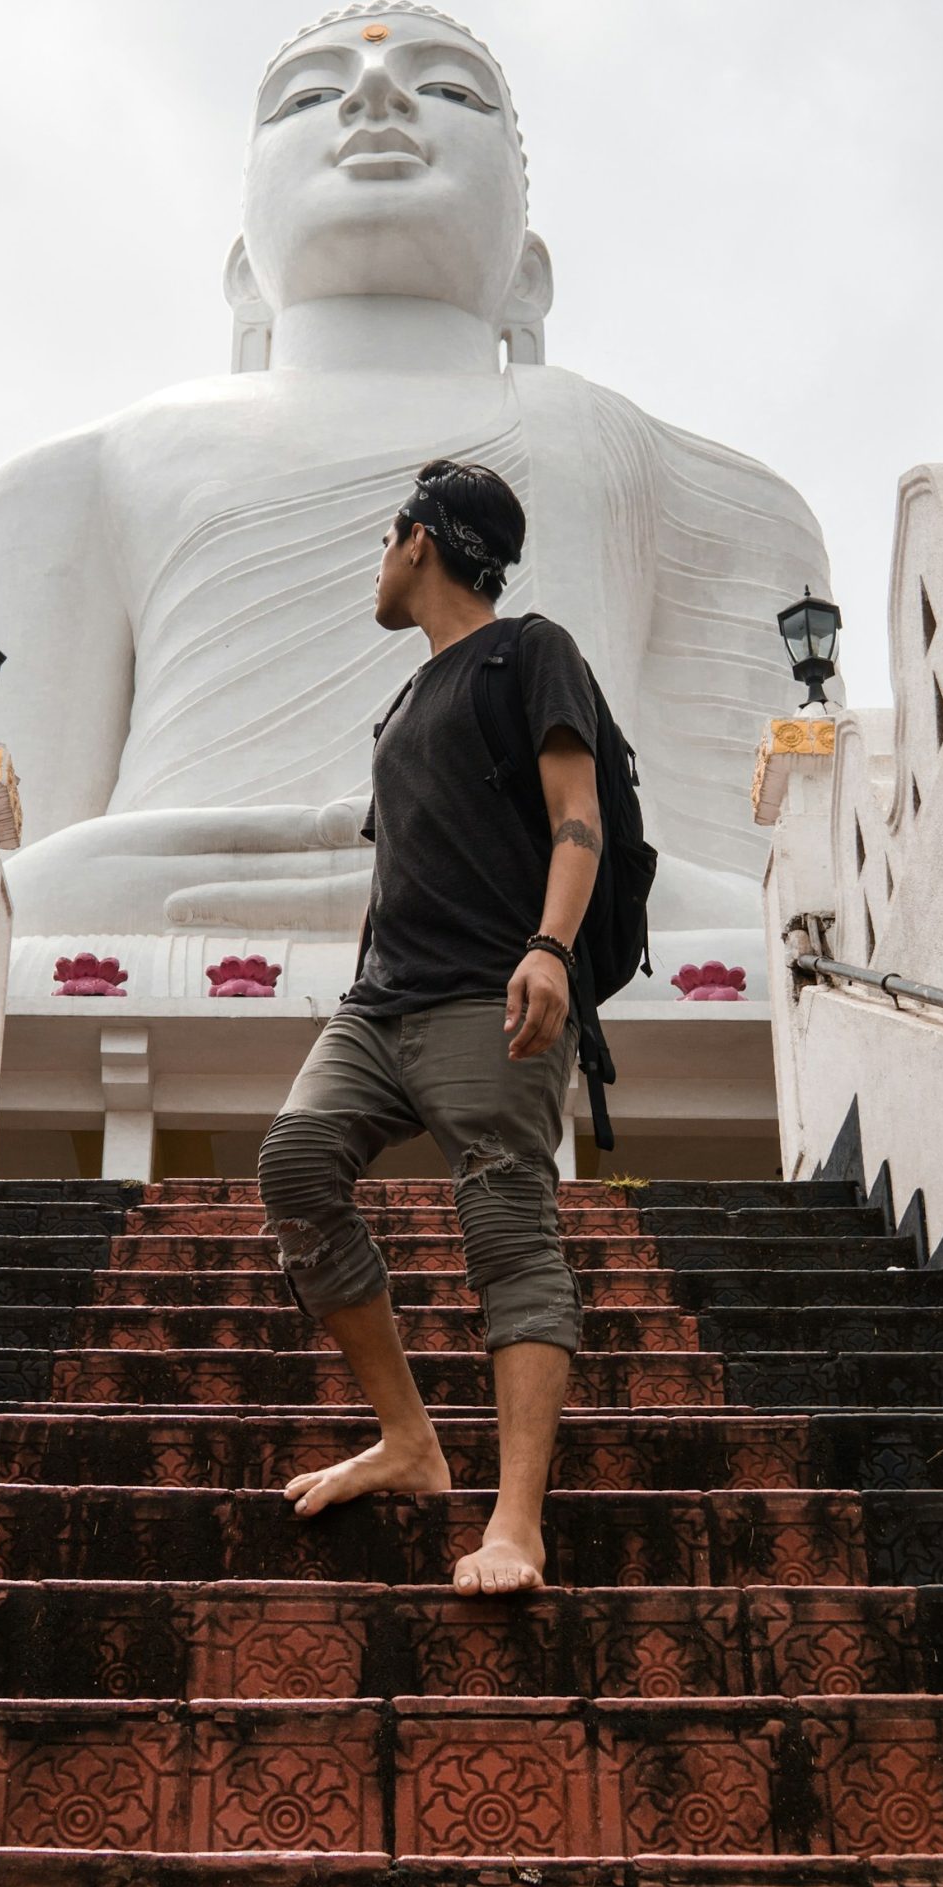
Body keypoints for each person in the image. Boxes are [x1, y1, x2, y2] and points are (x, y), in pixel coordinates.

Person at [255, 456, 604, 1594]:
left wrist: (550, 947)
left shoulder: (528, 650)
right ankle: (409, 1441)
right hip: (381, 1001)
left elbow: (577, 816)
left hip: (485, 992)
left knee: (507, 1218)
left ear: (417, 541)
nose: (377, 564)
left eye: (382, 541)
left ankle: (514, 1523)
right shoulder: (401, 701)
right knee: (296, 1160)